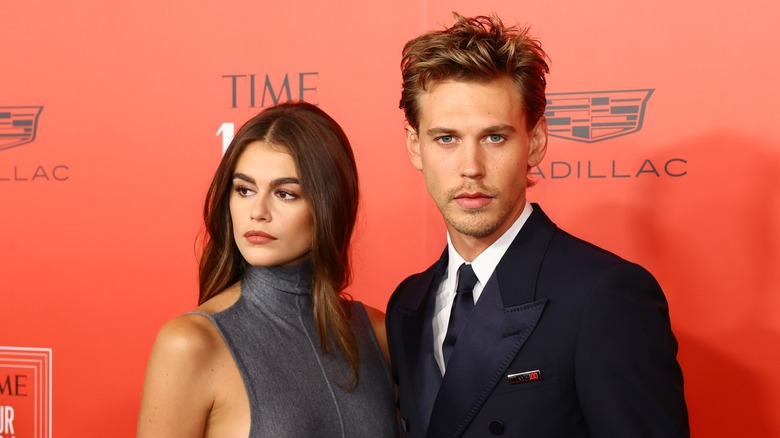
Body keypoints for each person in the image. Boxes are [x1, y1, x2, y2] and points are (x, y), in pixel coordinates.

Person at [386, 13, 689, 437]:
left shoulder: (605, 295)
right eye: (447, 139)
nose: (470, 168)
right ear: (415, 146)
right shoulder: (408, 303)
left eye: (495, 137)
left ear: (537, 141)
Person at [138, 101, 398, 437]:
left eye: (285, 194)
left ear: (329, 206)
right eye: (244, 190)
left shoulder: (378, 334)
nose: (257, 211)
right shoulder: (191, 344)